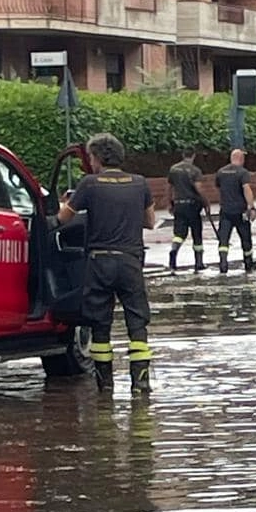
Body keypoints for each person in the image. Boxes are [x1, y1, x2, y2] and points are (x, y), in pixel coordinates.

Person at [57, 133, 156, 395]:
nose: (90, 161)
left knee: (100, 324)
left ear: (98, 157)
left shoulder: (89, 184)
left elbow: (63, 218)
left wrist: (70, 200)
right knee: (137, 322)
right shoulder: (140, 183)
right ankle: (140, 382)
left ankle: (106, 386)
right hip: (130, 262)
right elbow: (150, 222)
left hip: (100, 262)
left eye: (91, 157)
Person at [215, 149, 256, 273]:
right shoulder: (243, 172)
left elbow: (219, 188)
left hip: (225, 211)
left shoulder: (221, 172)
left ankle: (223, 264)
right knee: (245, 238)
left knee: (224, 239)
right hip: (240, 211)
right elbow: (246, 189)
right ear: (241, 159)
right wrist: (252, 207)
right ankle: (248, 263)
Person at [167, 148, 209, 272]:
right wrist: (206, 202)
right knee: (197, 234)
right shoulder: (195, 171)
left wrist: (170, 203)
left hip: (178, 205)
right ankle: (199, 262)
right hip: (192, 206)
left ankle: (174, 251)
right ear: (194, 156)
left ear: (183, 155)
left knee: (179, 234)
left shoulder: (173, 169)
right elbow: (199, 189)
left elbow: (169, 187)